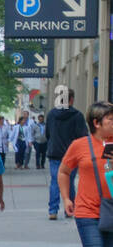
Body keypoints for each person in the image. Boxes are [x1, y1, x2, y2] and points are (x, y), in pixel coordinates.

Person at [57, 100, 113, 247]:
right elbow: (63, 171)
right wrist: (66, 198)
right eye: (110, 120)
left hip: (110, 210)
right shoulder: (80, 145)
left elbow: (109, 174)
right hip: (86, 210)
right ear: (96, 123)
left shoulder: (111, 145)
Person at [47, 91, 87, 220]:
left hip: (55, 153)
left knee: (55, 182)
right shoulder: (77, 116)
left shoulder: (51, 115)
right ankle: (69, 208)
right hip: (72, 155)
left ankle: (53, 210)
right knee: (68, 181)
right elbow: (82, 136)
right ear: (71, 100)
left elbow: (48, 134)